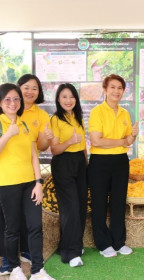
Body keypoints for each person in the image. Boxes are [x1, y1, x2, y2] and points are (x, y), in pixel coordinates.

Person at [0, 83, 55, 280]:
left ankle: (38, 270)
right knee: (12, 229)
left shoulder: (23, 123)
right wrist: (8, 134)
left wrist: (38, 182)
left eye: (16, 99)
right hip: (7, 184)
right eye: (7, 99)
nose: (13, 103)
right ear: (0, 102)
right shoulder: (1, 123)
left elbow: (33, 154)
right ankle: (14, 268)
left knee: (35, 226)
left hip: (30, 184)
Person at [88, 74, 139, 257]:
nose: (116, 91)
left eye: (120, 88)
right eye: (112, 87)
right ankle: (103, 244)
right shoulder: (97, 112)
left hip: (120, 162)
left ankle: (119, 242)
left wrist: (133, 135)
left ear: (123, 91)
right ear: (105, 89)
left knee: (118, 203)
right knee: (99, 203)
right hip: (100, 162)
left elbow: (128, 141)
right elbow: (96, 140)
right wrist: (122, 140)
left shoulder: (125, 113)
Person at [50, 83, 88, 267]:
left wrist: (86, 164)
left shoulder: (78, 117)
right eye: (64, 96)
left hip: (80, 163)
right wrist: (69, 141)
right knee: (70, 208)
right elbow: (54, 149)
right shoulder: (56, 119)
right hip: (63, 163)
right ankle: (70, 254)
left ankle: (71, 244)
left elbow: (84, 146)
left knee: (80, 207)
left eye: (71, 96)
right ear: (58, 99)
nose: (68, 100)